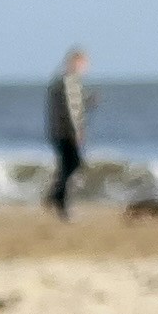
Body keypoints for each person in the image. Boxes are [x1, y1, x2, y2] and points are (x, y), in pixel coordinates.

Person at [45, 45, 89, 215]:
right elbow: (71, 110)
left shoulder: (61, 82)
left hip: (58, 131)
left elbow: (76, 105)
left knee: (67, 166)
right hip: (65, 133)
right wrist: (76, 132)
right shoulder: (68, 81)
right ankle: (59, 198)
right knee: (72, 165)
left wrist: (89, 100)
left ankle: (57, 196)